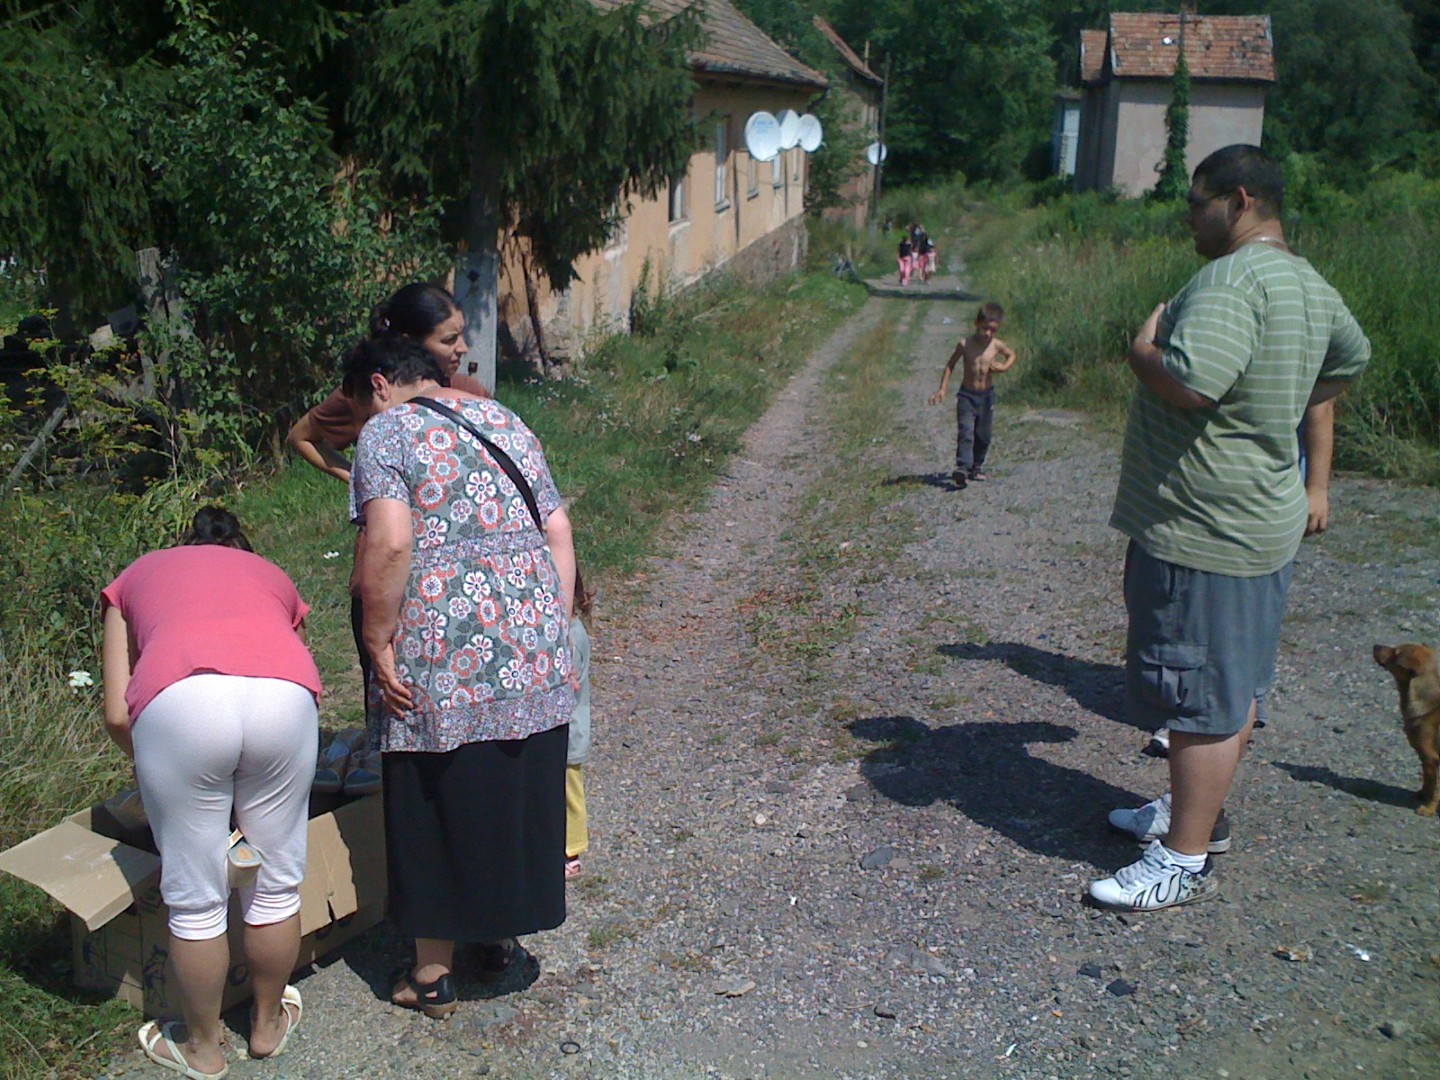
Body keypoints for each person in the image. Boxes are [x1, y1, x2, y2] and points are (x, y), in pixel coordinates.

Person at [1092, 145, 1370, 912]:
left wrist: (1141, 351)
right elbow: (1351, 358)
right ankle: (1196, 816)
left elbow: (1189, 382)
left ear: (1239, 200)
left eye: (1196, 203)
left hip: (1204, 528)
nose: (1188, 217)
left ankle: (1181, 858)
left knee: (1199, 695)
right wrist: (1277, 400)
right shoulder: (1307, 282)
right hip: (1256, 519)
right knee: (1232, 683)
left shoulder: (1232, 279)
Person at [343, 335, 576, 1017]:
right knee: (505, 787)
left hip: (442, 650)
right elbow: (559, 531)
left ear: (379, 384)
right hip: (532, 641)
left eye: (359, 406)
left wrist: (377, 636)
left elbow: (390, 541)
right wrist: (548, 629)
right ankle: (495, 941)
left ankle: (431, 974)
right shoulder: (506, 419)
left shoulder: (387, 431)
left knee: (432, 797)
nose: (362, 421)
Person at [102, 507, 321, 1077]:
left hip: (183, 702)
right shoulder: (271, 575)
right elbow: (297, 657)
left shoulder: (135, 577)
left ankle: (203, 1048)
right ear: (239, 548)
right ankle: (267, 1025)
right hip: (284, 699)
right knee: (275, 886)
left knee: (197, 900)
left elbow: (118, 713)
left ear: (184, 545)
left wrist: (160, 775)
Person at [286, 284, 490, 729]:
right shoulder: (367, 390)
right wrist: (359, 479)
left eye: (461, 335)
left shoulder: (468, 392)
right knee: (388, 690)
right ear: (411, 342)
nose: (462, 348)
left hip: (455, 574)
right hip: (385, 566)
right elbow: (302, 436)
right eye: (449, 339)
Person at [928, 302, 1018, 488]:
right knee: (966, 431)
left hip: (986, 396)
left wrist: (1003, 367)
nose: (988, 333)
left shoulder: (995, 345)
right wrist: (942, 389)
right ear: (977, 324)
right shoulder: (965, 344)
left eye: (993, 330)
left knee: (983, 434)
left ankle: (976, 466)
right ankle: (962, 467)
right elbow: (950, 365)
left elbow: (1012, 355)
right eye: (985, 328)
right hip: (967, 396)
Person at [565, 567, 595, 880]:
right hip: (569, 728)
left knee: (570, 793)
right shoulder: (573, 631)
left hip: (571, 730)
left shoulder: (572, 636)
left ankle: (572, 851)